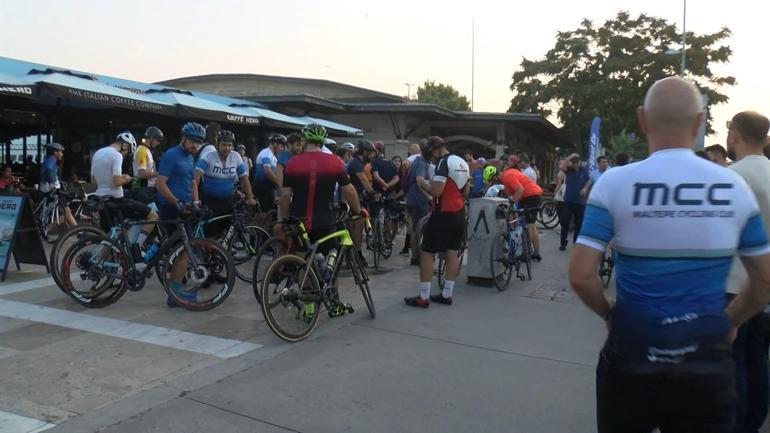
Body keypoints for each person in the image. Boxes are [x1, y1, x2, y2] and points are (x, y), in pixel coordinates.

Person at [569, 76, 770, 433]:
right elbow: (765, 277)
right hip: (706, 362)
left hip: (632, 355)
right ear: (698, 124)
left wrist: (610, 312)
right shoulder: (732, 187)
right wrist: (732, 319)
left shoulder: (614, 183)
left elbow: (582, 275)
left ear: (642, 119)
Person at [280, 124, 363, 316]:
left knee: (302, 261)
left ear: (304, 141)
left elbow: (285, 197)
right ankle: (333, 304)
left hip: (299, 221)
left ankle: (309, 306)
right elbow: (349, 190)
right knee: (331, 258)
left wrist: (286, 220)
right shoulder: (334, 162)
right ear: (322, 142)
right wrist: (358, 211)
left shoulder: (292, 163)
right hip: (325, 220)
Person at [725, 111, 770, 433]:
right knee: (758, 360)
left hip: (733, 285)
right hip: (766, 288)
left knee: (733, 361)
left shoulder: (732, 176)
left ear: (736, 135)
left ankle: (734, 424)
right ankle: (753, 423)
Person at [405, 136, 469, 308]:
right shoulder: (461, 162)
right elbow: (466, 190)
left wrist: (422, 183)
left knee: (426, 251)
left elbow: (436, 191)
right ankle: (447, 294)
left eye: (432, 154)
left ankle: (423, 297)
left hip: (443, 213)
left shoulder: (443, 163)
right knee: (452, 252)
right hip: (459, 212)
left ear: (435, 150)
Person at [156, 122, 206, 306]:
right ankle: (175, 294)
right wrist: (175, 202)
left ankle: (175, 290)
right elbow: (160, 184)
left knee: (185, 250)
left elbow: (193, 182)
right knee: (184, 250)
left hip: (185, 208)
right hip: (171, 208)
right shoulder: (171, 155)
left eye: (199, 143)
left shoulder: (190, 157)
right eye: (193, 141)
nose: (196, 146)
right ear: (183, 138)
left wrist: (196, 202)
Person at [91, 132, 159, 262]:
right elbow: (117, 181)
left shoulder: (98, 153)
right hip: (117, 200)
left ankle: (102, 265)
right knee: (153, 215)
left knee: (111, 237)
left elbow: (93, 182)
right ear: (125, 146)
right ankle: (136, 247)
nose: (125, 154)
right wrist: (126, 178)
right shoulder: (116, 155)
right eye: (127, 152)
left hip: (101, 199)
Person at [192, 130, 256, 237]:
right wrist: (196, 200)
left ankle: (222, 252)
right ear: (218, 145)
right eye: (224, 145)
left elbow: (244, 178)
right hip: (210, 202)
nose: (227, 148)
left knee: (225, 233)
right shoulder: (208, 156)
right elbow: (195, 178)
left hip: (227, 202)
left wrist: (250, 197)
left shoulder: (235, 157)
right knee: (211, 233)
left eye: (230, 145)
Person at [500, 156, 543, 261]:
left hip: (529, 197)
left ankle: (526, 253)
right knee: (532, 225)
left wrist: (511, 202)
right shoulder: (514, 172)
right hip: (535, 195)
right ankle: (536, 253)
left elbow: (519, 189)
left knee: (528, 226)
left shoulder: (507, 175)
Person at [346, 139, 378, 261]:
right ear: (364, 152)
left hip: (356, 196)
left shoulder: (358, 162)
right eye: (371, 153)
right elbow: (363, 179)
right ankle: (357, 254)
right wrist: (372, 192)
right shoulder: (356, 163)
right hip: (353, 198)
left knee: (355, 225)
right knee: (357, 225)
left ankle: (353, 253)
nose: (372, 156)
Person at [405, 142, 433, 265]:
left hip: (412, 198)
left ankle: (415, 257)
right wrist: (428, 196)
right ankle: (417, 257)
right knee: (418, 228)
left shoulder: (418, 161)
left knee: (414, 228)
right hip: (418, 199)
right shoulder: (421, 162)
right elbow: (419, 180)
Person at [554, 153, 589, 251]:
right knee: (565, 223)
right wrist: (570, 156)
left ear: (579, 163)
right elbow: (562, 166)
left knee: (579, 224)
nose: (575, 165)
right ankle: (563, 243)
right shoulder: (568, 170)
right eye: (573, 163)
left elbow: (588, 180)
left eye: (577, 163)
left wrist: (585, 188)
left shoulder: (584, 171)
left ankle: (576, 243)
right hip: (568, 201)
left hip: (580, 202)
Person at [253, 133, 286, 212]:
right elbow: (268, 171)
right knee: (263, 213)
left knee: (269, 212)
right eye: (281, 146)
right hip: (262, 188)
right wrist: (280, 184)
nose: (282, 149)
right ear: (275, 144)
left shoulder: (273, 156)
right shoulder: (266, 153)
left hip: (269, 188)